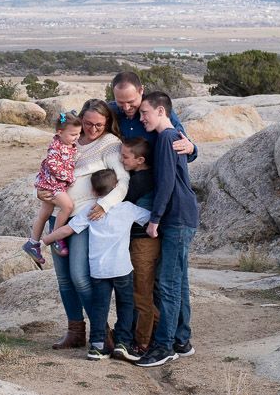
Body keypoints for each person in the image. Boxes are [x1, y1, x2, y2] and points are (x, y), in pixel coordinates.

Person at [41, 99, 129, 350]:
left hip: (84, 218)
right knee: (64, 279)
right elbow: (48, 171)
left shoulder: (111, 145)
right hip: (58, 215)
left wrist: (105, 204)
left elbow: (122, 181)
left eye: (99, 124)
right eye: (88, 123)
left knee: (80, 277)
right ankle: (75, 331)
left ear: (107, 123)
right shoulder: (67, 139)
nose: (92, 129)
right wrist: (42, 193)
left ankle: (101, 332)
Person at [41, 167, 150, 361]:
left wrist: (44, 241)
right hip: (122, 268)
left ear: (93, 192)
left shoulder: (89, 212)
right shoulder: (128, 208)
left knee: (100, 308)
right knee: (126, 304)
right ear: (116, 187)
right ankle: (123, 344)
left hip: (99, 271)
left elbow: (66, 231)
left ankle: (97, 346)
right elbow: (149, 219)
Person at [135, 91, 199, 368]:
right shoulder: (175, 138)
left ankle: (164, 347)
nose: (141, 118)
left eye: (144, 113)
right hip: (184, 215)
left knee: (168, 283)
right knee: (179, 280)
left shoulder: (165, 138)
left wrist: (155, 219)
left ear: (161, 111)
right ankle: (182, 340)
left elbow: (166, 183)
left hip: (175, 217)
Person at [22, 112, 81, 266]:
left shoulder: (68, 144)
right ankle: (57, 237)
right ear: (59, 132)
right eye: (73, 134)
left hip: (52, 183)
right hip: (52, 183)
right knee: (67, 206)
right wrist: (69, 177)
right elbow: (53, 167)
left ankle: (33, 243)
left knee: (45, 213)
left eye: (79, 133)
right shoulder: (56, 147)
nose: (77, 137)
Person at [118, 136, 159, 357]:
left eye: (125, 156)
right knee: (144, 291)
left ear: (140, 159)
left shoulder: (140, 180)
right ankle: (158, 333)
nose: (121, 160)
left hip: (143, 242)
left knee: (141, 293)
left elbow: (120, 203)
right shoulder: (144, 175)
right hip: (143, 241)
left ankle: (143, 342)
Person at [108, 70, 198, 161]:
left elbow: (184, 149)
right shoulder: (110, 111)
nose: (126, 107)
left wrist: (191, 149)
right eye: (120, 102)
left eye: (131, 102)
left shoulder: (157, 110)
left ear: (141, 90)